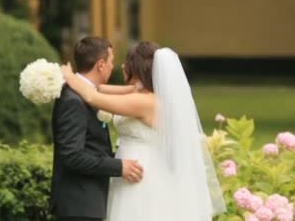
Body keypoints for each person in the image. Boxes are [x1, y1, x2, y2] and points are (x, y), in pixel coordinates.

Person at [60, 41, 226, 220]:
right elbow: (102, 88)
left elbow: (93, 96)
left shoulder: (143, 102)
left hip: (138, 175)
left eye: (127, 62)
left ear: (137, 68)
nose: (122, 66)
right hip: (138, 169)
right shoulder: (147, 96)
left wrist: (70, 76)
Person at [50, 37, 144, 221]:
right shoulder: (73, 100)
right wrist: (118, 167)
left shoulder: (83, 92)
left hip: (87, 203)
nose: (112, 66)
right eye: (111, 61)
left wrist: (136, 88)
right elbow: (71, 155)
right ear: (101, 64)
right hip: (78, 205)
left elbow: (98, 92)